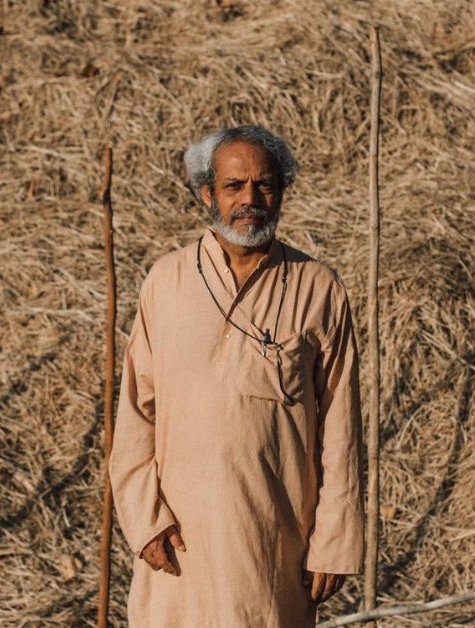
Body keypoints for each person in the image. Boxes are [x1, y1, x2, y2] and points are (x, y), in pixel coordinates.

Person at [109, 124, 364, 627]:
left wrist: (333, 539)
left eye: (264, 185)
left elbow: (341, 428)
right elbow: (136, 415)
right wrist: (144, 522)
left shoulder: (318, 289)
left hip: (273, 544)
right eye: (234, 186)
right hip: (179, 545)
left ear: (282, 191)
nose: (250, 199)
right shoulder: (166, 282)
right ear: (208, 193)